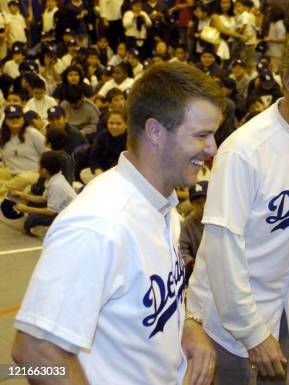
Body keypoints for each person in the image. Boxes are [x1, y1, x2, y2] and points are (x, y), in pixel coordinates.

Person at [11, 62, 225, 385]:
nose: (213, 149)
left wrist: (188, 325)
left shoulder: (163, 207)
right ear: (154, 131)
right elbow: (34, 354)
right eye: (202, 135)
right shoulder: (99, 225)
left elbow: (157, 298)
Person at [187, 30, 289, 384]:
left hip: (282, 304)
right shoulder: (245, 151)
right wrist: (253, 332)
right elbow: (223, 248)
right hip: (230, 320)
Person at [10, 150, 77, 234]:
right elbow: (43, 198)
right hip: (58, 211)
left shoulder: (56, 185)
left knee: (31, 221)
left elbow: (51, 211)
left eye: (38, 165)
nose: (37, 167)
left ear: (44, 170)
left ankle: (53, 229)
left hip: (66, 216)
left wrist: (27, 209)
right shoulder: (53, 178)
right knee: (32, 209)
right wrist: (23, 196)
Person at [179, 180, 208, 283]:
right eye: (198, 202)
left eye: (206, 200)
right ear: (191, 204)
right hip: (197, 273)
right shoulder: (186, 225)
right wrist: (191, 262)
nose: (203, 206)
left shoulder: (219, 220)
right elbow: (182, 249)